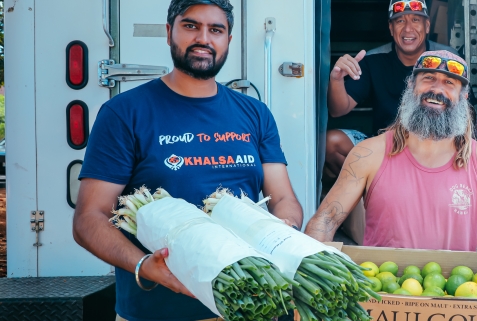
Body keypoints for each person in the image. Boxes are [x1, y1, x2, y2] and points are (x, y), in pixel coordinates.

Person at [71, 1, 303, 320]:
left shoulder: (255, 114)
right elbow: (88, 218)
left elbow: (285, 199)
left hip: (252, 304)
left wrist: (280, 234)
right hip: (161, 309)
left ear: (228, 41)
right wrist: (144, 266)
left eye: (216, 30)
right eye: (191, 26)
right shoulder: (125, 113)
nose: (203, 38)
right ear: (169, 33)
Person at [305, 50, 477, 289]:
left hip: (456, 298)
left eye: (449, 83)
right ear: (410, 85)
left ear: (463, 95)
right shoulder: (369, 154)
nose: (437, 89)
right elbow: (323, 224)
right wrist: (313, 290)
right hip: (383, 293)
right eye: (428, 78)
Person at [324, 0, 463, 178]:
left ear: (427, 25)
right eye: (400, 21)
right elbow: (338, 110)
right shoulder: (373, 59)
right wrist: (336, 78)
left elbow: (466, 112)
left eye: (415, 20)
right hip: (384, 146)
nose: (407, 29)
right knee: (331, 143)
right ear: (391, 28)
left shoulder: (447, 59)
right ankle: (370, 191)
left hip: (434, 148)